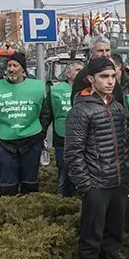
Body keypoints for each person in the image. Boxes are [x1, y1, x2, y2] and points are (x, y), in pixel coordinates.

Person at [64, 57, 129, 259]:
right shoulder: (81, 110)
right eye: (103, 77)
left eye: (112, 76)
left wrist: (126, 179)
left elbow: (126, 144)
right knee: (91, 235)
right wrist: (86, 185)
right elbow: (72, 153)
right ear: (91, 79)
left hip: (117, 182)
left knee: (114, 232)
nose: (110, 81)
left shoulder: (117, 107)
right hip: (96, 185)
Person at [0, 52, 51, 196]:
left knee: (30, 184)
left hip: (31, 142)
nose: (11, 69)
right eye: (9, 66)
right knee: (7, 186)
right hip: (5, 144)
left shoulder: (35, 88)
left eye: (15, 65)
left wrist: (41, 133)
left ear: (23, 69)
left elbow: (45, 113)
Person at [45, 60, 83, 197]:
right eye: (77, 70)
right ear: (68, 74)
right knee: (64, 170)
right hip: (62, 138)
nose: (81, 73)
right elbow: (47, 114)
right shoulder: (56, 90)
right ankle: (63, 199)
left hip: (83, 138)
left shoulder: (88, 90)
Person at [71, 36, 124, 105]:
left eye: (107, 50)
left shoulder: (111, 70)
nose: (105, 54)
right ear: (91, 53)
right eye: (100, 51)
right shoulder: (84, 74)